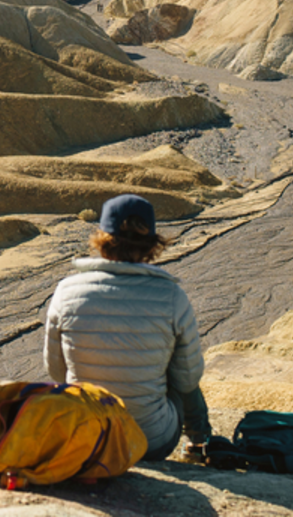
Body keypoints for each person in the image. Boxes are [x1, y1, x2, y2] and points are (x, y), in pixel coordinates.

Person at [43, 193, 211, 461]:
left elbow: (56, 371)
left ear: (101, 239)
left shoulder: (65, 292)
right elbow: (188, 380)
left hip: (87, 436)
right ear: (152, 244)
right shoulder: (171, 296)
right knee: (178, 364)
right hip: (150, 441)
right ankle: (199, 443)